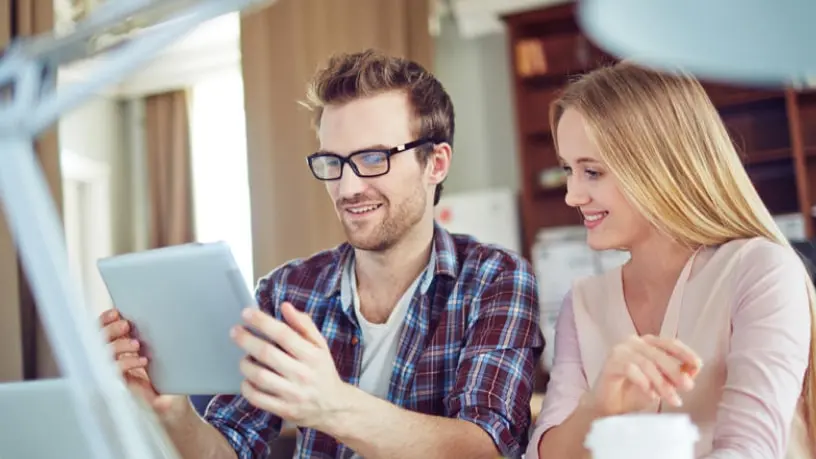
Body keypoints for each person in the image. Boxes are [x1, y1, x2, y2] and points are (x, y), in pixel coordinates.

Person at [101, 49, 545, 459]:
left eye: (373, 158)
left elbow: (484, 448)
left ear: (436, 163)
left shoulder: (496, 278)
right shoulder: (287, 291)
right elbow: (229, 449)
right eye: (333, 162)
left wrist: (332, 406)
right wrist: (171, 412)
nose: (348, 188)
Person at [527, 62, 815, 459]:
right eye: (568, 170)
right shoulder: (583, 305)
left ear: (659, 166)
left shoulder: (760, 271)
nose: (572, 195)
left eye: (591, 172)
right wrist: (597, 407)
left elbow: (751, 451)